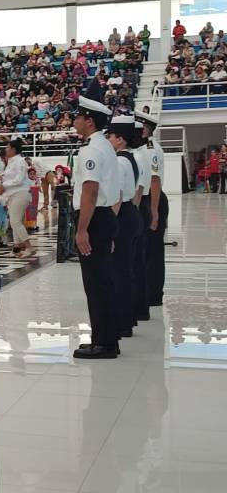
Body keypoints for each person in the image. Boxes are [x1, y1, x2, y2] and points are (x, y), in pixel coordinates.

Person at [71, 82, 120, 359]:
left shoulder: (91, 150)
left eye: (78, 116)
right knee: (103, 282)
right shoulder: (104, 147)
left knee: (97, 284)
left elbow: (90, 191)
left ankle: (104, 343)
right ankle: (105, 338)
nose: (75, 120)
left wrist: (82, 231)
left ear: (89, 120)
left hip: (94, 219)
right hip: (104, 218)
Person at [106, 115, 144, 339]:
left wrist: (111, 229)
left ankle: (122, 321)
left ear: (120, 139)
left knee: (119, 271)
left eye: (111, 136)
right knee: (125, 269)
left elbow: (117, 197)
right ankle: (127, 319)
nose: (109, 140)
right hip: (131, 213)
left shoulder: (119, 162)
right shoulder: (131, 159)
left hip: (121, 214)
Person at [135, 111, 168, 307]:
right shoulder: (142, 148)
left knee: (153, 251)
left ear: (146, 129)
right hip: (147, 198)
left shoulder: (150, 149)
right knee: (146, 249)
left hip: (152, 199)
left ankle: (153, 294)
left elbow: (154, 181)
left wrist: (154, 211)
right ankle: (147, 291)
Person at [0, 139, 33, 258]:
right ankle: (16, 249)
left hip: (21, 193)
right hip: (12, 195)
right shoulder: (10, 162)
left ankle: (29, 247)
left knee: (15, 221)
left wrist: (4, 185)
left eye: (7, 147)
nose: (6, 149)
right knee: (14, 221)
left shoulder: (21, 161)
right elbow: (8, 179)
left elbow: (19, 180)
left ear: (13, 149)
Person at [132, 121, 152, 321]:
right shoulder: (142, 153)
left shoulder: (137, 156)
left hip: (137, 207)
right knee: (138, 261)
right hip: (141, 207)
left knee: (135, 262)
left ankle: (137, 308)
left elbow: (138, 190)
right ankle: (141, 307)